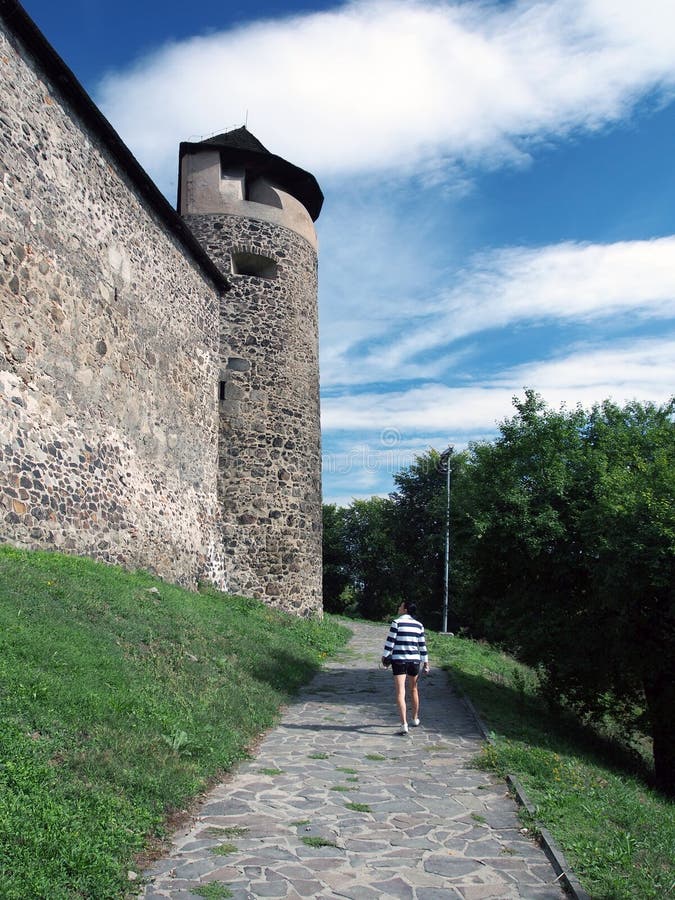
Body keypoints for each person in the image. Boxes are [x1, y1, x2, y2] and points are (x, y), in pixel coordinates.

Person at [382, 600, 430, 734]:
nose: (399, 607)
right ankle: (414, 719)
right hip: (414, 661)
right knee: (414, 689)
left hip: (399, 661)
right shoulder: (419, 625)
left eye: (401, 606)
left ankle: (403, 724)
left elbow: (390, 642)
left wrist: (385, 657)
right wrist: (426, 663)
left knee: (400, 692)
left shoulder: (396, 623)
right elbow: (422, 646)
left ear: (405, 609)